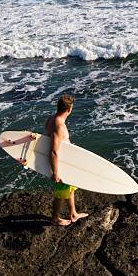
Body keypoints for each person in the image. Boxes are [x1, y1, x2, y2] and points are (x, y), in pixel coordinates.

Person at [45, 94, 89, 226]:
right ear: (69, 110)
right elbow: (53, 150)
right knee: (60, 193)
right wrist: (56, 172)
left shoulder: (50, 119)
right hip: (60, 164)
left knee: (70, 189)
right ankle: (55, 218)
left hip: (65, 162)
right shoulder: (59, 125)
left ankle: (73, 214)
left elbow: (46, 139)